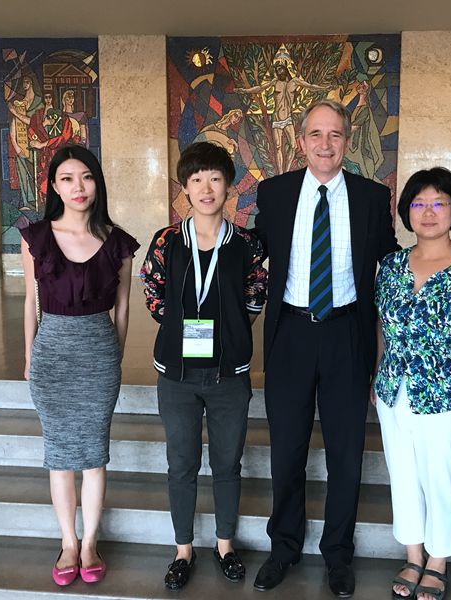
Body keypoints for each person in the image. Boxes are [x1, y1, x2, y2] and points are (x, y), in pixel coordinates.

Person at [252, 99, 398, 597]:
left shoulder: (372, 197)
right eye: (316, 134)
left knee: (346, 452)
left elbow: (392, 264)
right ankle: (283, 548)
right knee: (287, 450)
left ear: (348, 140)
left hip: (347, 334)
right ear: (301, 141)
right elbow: (250, 254)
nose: (325, 144)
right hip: (290, 335)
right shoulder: (274, 193)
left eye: (335, 134)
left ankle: (338, 553)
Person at [139, 141, 268, 591]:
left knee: (228, 462)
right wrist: (178, 326)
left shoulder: (245, 244)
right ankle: (183, 550)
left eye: (215, 178)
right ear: (185, 188)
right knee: (181, 462)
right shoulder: (167, 240)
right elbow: (152, 288)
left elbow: (256, 294)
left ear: (228, 186)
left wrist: (231, 330)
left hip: (228, 374)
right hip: (177, 375)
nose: (206, 188)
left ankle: (225, 545)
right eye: (197, 179)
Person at [373, 167, 451, 600]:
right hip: (393, 390)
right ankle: (413, 554)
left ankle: (438, 560)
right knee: (403, 475)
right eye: (419, 203)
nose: (428, 212)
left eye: (439, 203)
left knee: (440, 479)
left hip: (447, 394)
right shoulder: (390, 267)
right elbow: (382, 328)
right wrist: (377, 376)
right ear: (407, 212)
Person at [21, 145, 139, 586]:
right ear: (54, 186)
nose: (78, 187)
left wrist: (115, 355)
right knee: (58, 455)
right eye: (67, 178)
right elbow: (30, 303)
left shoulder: (118, 242)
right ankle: (67, 542)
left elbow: (123, 309)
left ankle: (89, 542)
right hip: (52, 354)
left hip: (99, 354)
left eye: (86, 177)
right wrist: (29, 357)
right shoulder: (36, 238)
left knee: (93, 455)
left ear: (97, 183)